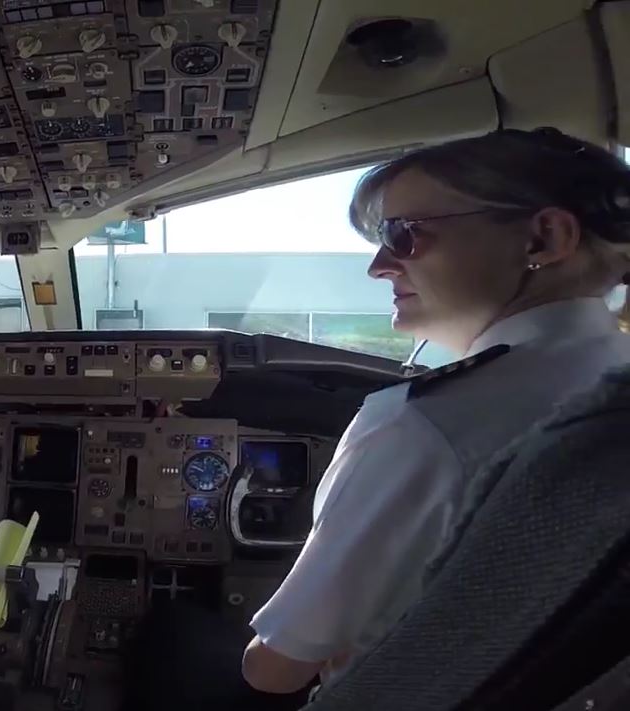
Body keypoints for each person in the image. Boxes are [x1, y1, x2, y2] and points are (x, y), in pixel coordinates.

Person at [241, 127, 630, 694]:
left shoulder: (422, 427)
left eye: (405, 236)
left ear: (543, 239)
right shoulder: (615, 383)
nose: (379, 266)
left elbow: (275, 670)